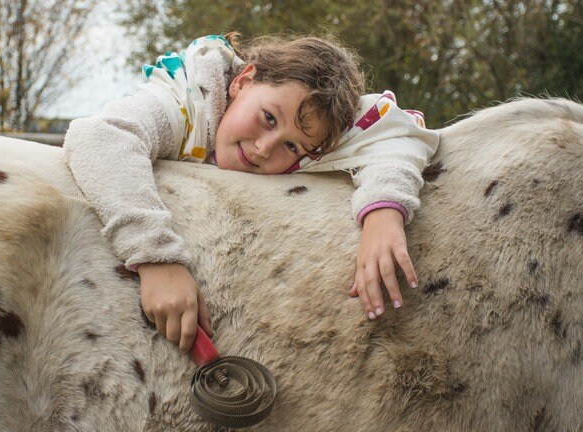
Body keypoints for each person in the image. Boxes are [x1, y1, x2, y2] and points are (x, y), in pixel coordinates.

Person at [63, 33, 439, 353]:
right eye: (268, 118)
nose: (265, 148)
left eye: (292, 148)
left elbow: (397, 132)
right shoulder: (187, 99)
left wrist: (384, 215)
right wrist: (157, 260)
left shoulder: (315, 129)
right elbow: (99, 138)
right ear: (243, 81)